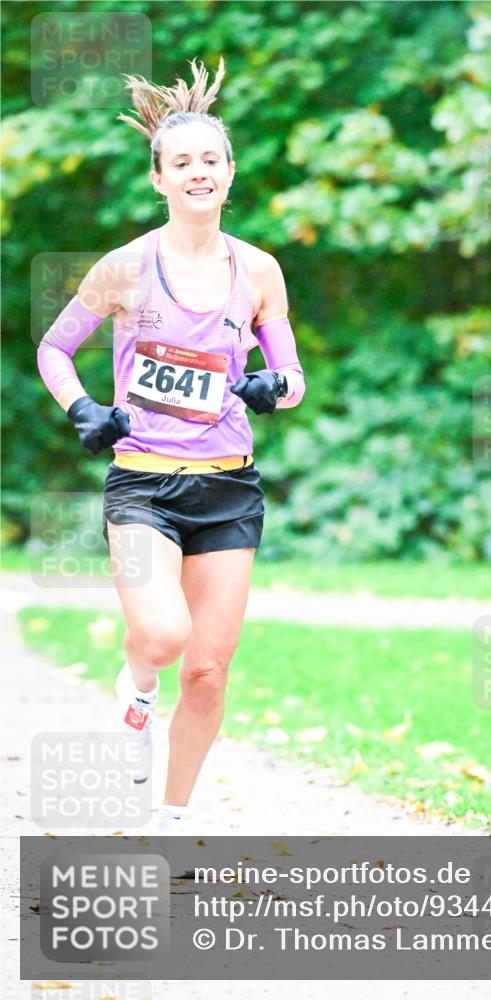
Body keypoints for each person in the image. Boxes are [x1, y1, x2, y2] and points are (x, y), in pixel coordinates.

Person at [36, 57, 306, 835]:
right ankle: (137, 686)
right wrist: (82, 407)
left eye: (210, 161)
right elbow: (55, 349)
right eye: (181, 162)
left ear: (228, 173)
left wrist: (271, 387)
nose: (197, 173)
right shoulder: (125, 267)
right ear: (159, 178)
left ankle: (173, 815)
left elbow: (291, 377)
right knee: (163, 636)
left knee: (211, 668)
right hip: (142, 486)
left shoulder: (257, 271)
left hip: (229, 488)